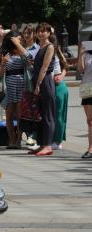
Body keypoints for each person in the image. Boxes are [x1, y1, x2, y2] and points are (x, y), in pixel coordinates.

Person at [0, 31, 32, 148]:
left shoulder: (22, 52)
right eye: (17, 39)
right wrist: (2, 63)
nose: (19, 40)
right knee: (8, 115)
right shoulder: (5, 53)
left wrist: (18, 45)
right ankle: (11, 140)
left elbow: (29, 58)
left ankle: (18, 140)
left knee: (20, 115)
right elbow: (0, 74)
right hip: (9, 87)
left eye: (19, 39)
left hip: (21, 86)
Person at [29, 22, 55, 156]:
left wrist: (38, 84)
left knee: (48, 114)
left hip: (45, 82)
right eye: (39, 31)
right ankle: (42, 144)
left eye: (44, 31)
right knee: (41, 114)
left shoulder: (49, 47)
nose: (40, 33)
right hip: (39, 82)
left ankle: (48, 145)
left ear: (49, 33)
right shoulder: (40, 47)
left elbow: (45, 68)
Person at [50, 34, 69, 150]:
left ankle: (58, 140)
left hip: (59, 86)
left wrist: (61, 76)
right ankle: (50, 139)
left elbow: (65, 66)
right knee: (49, 115)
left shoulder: (57, 52)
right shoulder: (42, 51)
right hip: (48, 85)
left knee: (59, 115)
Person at [22, 24, 40, 146]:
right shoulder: (19, 47)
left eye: (29, 33)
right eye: (25, 33)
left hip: (33, 82)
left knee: (35, 109)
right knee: (24, 111)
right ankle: (28, 135)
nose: (27, 35)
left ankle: (34, 135)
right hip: (22, 83)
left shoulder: (38, 48)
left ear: (34, 34)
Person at [77, 33, 92, 158]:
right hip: (87, 87)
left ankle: (90, 148)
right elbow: (81, 70)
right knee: (89, 121)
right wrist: (81, 54)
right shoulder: (87, 54)